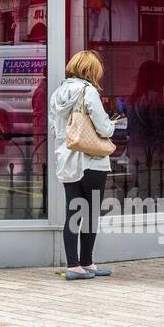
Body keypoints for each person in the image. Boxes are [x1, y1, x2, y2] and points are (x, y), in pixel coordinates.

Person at [47, 50, 116, 280]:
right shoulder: (88, 92)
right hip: (91, 161)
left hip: (67, 161)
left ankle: (74, 266)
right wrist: (112, 125)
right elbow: (103, 128)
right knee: (91, 214)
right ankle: (87, 262)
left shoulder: (57, 94)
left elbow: (56, 130)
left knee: (73, 213)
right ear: (90, 71)